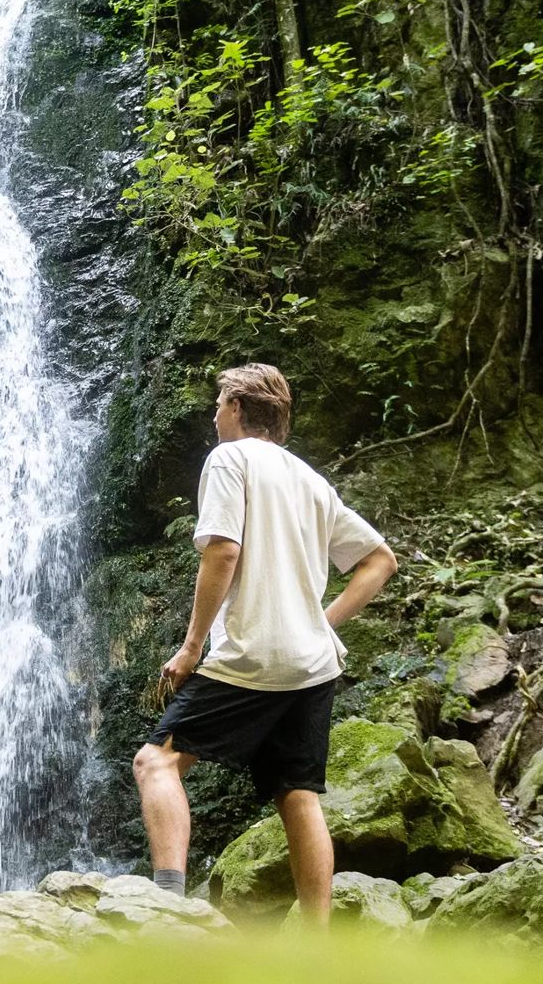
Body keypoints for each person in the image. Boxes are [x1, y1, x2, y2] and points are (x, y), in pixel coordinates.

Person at [133, 364, 397, 924]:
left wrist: (191, 646)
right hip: (312, 665)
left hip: (252, 655)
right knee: (297, 793)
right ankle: (319, 941)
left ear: (235, 409)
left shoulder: (229, 459)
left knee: (157, 762)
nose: (213, 415)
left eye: (218, 403)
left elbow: (223, 551)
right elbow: (380, 561)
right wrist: (321, 624)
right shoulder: (311, 480)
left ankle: (167, 908)